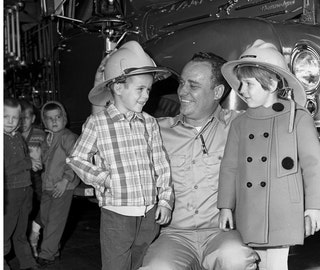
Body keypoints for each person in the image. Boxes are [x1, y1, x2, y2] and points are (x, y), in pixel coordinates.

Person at [218, 39, 320, 270]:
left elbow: (313, 165)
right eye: (240, 84)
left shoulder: (297, 117)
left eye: (248, 84)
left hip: (282, 206)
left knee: (277, 263)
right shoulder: (240, 124)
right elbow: (229, 167)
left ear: (270, 84)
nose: (241, 90)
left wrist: (315, 206)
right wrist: (225, 206)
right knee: (256, 260)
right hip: (250, 205)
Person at [139, 52, 259, 270]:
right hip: (174, 236)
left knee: (237, 259)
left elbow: (279, 126)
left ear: (218, 92)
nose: (182, 92)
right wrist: (103, 91)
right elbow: (110, 133)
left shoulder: (240, 126)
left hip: (222, 233)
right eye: (182, 83)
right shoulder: (156, 129)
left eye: (193, 86)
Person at [66, 41, 174, 270]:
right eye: (140, 89)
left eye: (148, 90)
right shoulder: (98, 123)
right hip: (117, 214)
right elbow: (76, 158)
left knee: (142, 263)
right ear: (118, 87)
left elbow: (161, 164)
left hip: (149, 214)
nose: (146, 95)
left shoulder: (149, 122)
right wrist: (103, 178)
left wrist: (164, 200)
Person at [36, 101, 80, 268]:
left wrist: (65, 180)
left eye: (58, 117)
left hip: (63, 186)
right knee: (46, 219)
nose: (54, 121)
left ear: (65, 119)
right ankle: (53, 251)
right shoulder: (47, 139)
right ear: (44, 122)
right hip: (48, 186)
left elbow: (74, 160)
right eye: (49, 119)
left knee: (55, 221)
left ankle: (46, 254)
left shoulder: (69, 137)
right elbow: (46, 162)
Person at [4, 98, 39, 270]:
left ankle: (28, 263)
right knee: (5, 231)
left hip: (25, 190)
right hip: (9, 193)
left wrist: (31, 161)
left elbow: (24, 159)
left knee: (21, 231)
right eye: (5, 117)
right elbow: (7, 168)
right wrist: (28, 163)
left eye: (15, 118)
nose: (10, 122)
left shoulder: (17, 137)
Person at [19, 99, 46, 258]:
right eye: (19, 118)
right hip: (19, 179)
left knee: (45, 206)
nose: (22, 122)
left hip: (38, 178)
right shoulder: (12, 136)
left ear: (33, 119)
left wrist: (40, 160)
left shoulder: (39, 134)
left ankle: (34, 233)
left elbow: (48, 155)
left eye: (26, 118)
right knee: (24, 211)